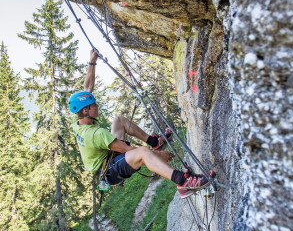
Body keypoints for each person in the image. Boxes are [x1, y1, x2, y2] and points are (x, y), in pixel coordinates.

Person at [69, 49, 215, 198]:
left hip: (107, 158)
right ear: (85, 111)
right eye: (93, 105)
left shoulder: (78, 121)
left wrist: (92, 61)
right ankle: (183, 182)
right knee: (144, 152)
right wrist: (158, 155)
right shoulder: (96, 134)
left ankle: (154, 141)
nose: (97, 106)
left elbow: (87, 88)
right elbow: (127, 149)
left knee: (119, 120)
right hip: (108, 171)